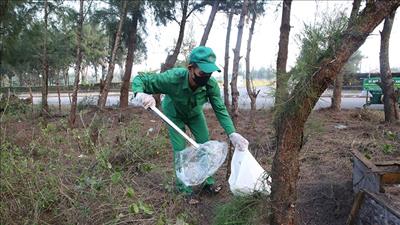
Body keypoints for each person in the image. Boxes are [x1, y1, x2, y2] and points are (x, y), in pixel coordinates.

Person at [132, 46, 249, 196]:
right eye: (202, 72)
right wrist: (140, 94)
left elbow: (220, 109)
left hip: (194, 114)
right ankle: (184, 190)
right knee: (180, 149)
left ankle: (208, 183)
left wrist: (232, 133)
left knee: (204, 145)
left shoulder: (210, 84)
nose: (206, 76)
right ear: (191, 68)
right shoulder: (173, 78)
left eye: (209, 72)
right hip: (173, 113)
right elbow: (141, 79)